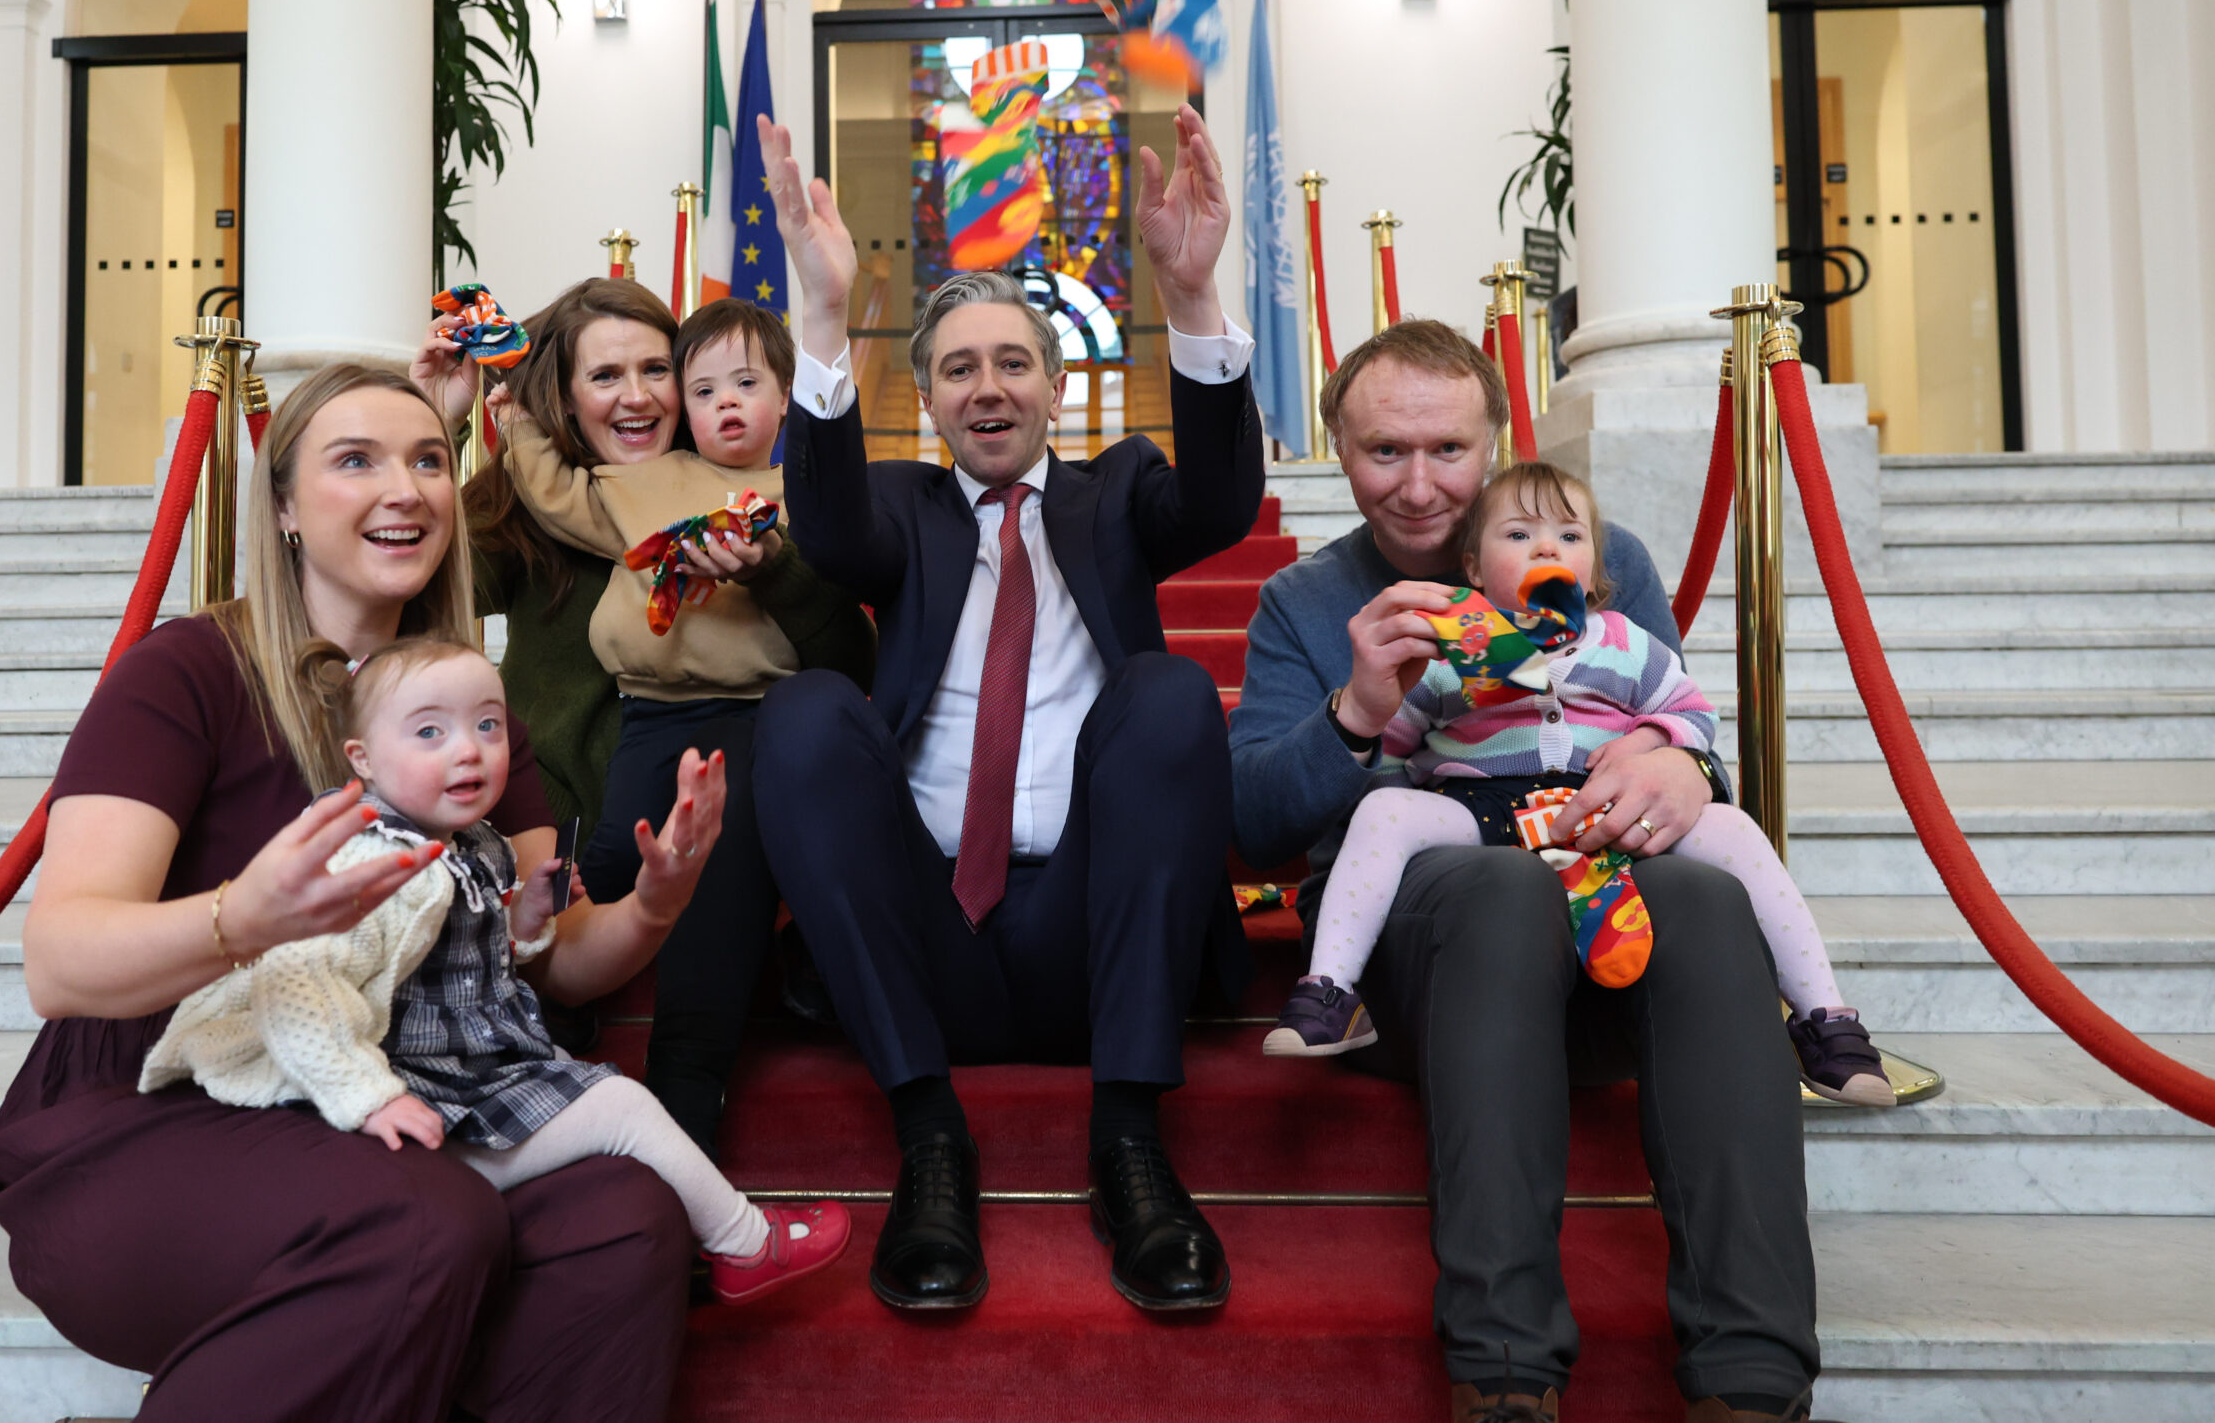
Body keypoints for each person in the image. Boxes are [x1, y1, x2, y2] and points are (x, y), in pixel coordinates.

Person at [0, 363, 715, 1422]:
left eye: (427, 460)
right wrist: (244, 919)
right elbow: (59, 963)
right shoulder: (185, 675)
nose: (405, 487)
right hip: (149, 1114)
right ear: (281, 505)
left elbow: (544, 957)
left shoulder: (472, 720)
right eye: (354, 460)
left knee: (625, 1215)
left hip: (389, 1109)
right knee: (426, 1220)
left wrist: (655, 901)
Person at [1229, 319, 1822, 1423]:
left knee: (1702, 892)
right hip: (1428, 957)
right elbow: (1255, 825)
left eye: (1448, 451)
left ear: (1498, 438)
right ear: (1338, 455)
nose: (1417, 487)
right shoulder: (1306, 602)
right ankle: (1503, 1373)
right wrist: (1357, 710)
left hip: (1608, 926)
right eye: (1381, 453)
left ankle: (1753, 1378)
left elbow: (1678, 740)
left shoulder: (1605, 562)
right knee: (1496, 890)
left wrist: (1689, 769)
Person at [751, 103, 1266, 1313]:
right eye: (958, 369)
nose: (988, 389)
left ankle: (1130, 1147)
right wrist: (822, 314)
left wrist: (1191, 299)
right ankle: (931, 1139)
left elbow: (1224, 505)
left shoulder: (1121, 490)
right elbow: (822, 528)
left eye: (1011, 362)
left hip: (1100, 929)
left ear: (1053, 383)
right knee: (807, 713)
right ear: (927, 402)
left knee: (1169, 691)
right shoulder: (900, 511)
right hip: (930, 934)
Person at [139, 633, 851, 1303]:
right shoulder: (367, 858)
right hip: (409, 1104)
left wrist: (527, 920)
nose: (470, 752)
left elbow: (460, 956)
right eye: (429, 733)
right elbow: (297, 987)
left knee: (596, 1105)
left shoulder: (471, 842)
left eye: (487, 726)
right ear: (360, 758)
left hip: (464, 1067)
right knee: (621, 1106)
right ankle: (747, 1246)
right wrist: (369, 1098)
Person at [1265, 459, 1896, 1109]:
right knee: (1386, 811)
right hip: (1482, 809)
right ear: (1475, 568)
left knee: (1733, 827)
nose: (1546, 546)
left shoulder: (1621, 641)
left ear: (1593, 570)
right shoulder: (1456, 647)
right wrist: (1399, 749)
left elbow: (1692, 715)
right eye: (1518, 534)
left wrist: (1649, 741)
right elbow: (1396, 744)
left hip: (1598, 809)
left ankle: (1826, 1018)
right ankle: (1331, 990)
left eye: (1569, 536)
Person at [421, 279, 875, 1157]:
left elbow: (852, 663)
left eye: (658, 370)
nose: (637, 395)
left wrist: (770, 570)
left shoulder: (785, 501)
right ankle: (529, 1009)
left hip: (736, 751)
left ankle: (684, 1110)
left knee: (716, 870)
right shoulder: (580, 496)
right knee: (574, 879)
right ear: (564, 392)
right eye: (606, 376)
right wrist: (445, 427)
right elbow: (420, 579)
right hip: (578, 798)